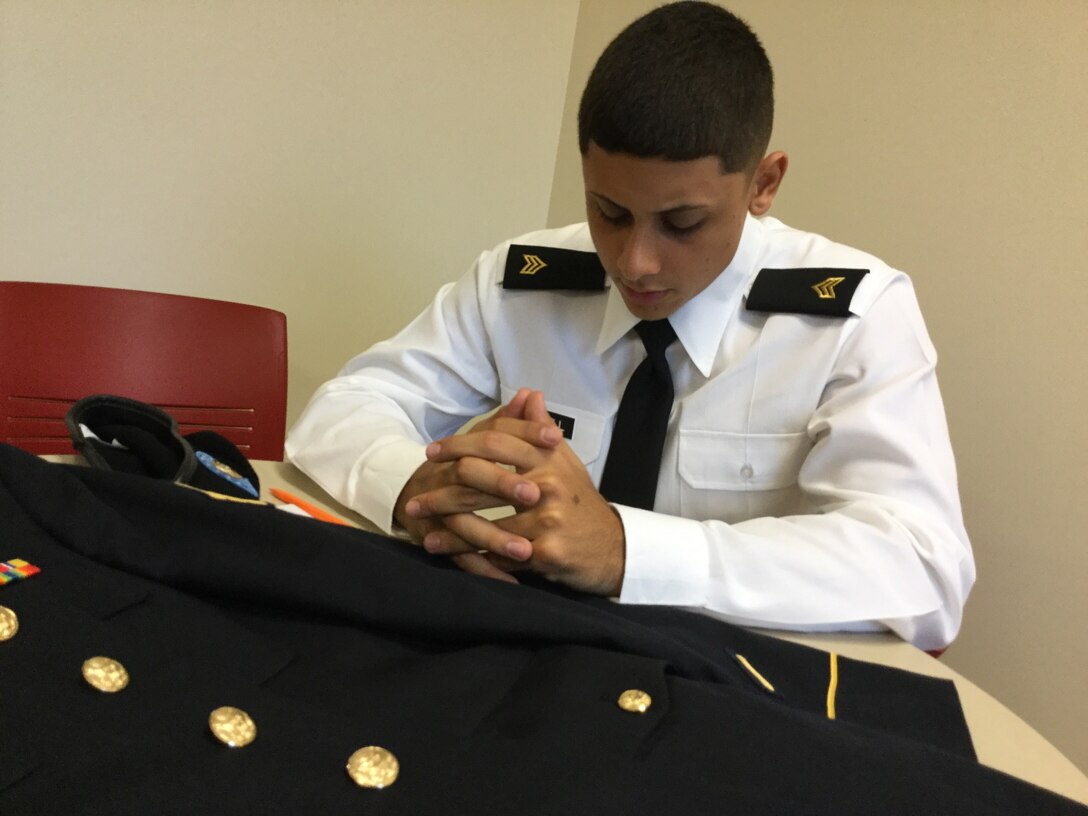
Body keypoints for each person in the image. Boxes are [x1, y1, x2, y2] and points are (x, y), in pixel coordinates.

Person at [285, 1, 974, 652]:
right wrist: (412, 490)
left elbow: (922, 566)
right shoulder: (522, 282)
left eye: (682, 223)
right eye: (608, 212)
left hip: (734, 687)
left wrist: (625, 550)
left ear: (764, 184)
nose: (635, 263)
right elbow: (343, 409)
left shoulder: (852, 318)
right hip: (527, 653)